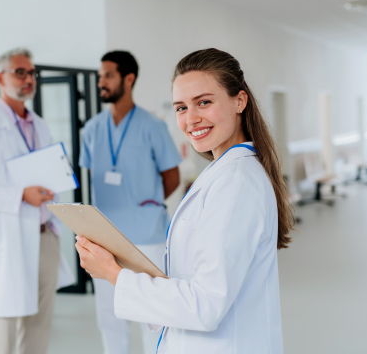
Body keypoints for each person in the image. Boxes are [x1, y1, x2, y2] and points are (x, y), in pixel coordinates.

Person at [75, 48, 294, 354]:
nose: (191, 119)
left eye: (204, 102)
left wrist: (114, 273)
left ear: (239, 101)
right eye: (181, 108)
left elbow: (204, 305)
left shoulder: (235, 183)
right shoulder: (223, 173)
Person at [0, 48, 73, 354]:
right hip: (6, 241)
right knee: (2, 333)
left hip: (45, 237)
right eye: (20, 72)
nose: (28, 78)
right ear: (0, 77)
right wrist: (20, 195)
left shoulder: (40, 125)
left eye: (31, 72)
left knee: (38, 328)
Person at [79, 50, 182, 354]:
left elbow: (172, 177)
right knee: (110, 319)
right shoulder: (93, 130)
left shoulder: (152, 126)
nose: (101, 82)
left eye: (108, 75)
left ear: (129, 78)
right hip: (103, 237)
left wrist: (144, 204)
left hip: (146, 236)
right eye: (100, 76)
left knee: (151, 316)